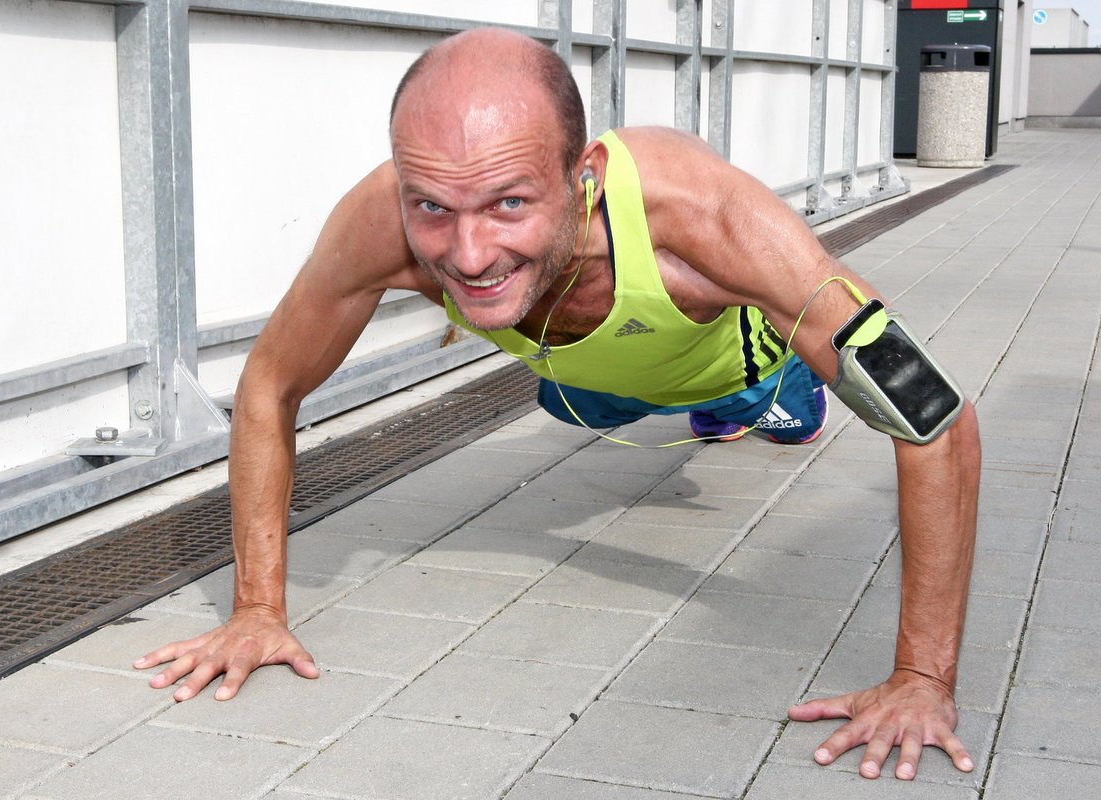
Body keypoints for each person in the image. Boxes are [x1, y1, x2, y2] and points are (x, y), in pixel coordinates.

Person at [135, 27, 980, 782]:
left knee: (769, 392)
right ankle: (618, 387)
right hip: (583, 370)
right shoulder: (382, 221)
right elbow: (268, 384)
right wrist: (255, 610)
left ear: (585, 179)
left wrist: (922, 680)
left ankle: (760, 399)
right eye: (432, 206)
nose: (466, 255)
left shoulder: (708, 221)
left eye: (509, 203)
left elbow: (937, 419)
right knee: (577, 404)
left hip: (731, 357)